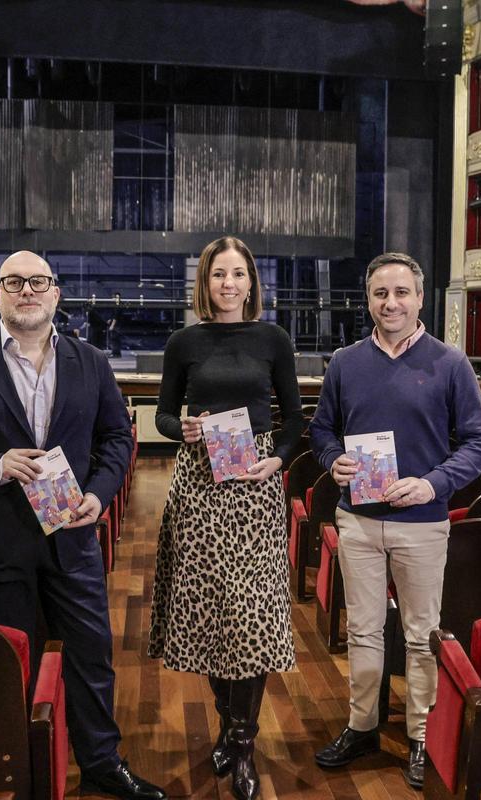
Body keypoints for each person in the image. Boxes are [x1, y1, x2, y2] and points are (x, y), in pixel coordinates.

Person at [0, 250, 165, 800]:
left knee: (92, 658)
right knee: (8, 665)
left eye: (38, 282)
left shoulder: (91, 362)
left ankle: (100, 762)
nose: (26, 291)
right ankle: (15, 771)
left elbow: (117, 439)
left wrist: (98, 495)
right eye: (13, 282)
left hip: (71, 540)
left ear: (55, 293)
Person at [308, 252, 481, 789]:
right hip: (358, 520)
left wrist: (433, 483)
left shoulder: (450, 363)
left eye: (401, 293)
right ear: (368, 299)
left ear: (419, 297)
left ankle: (420, 736)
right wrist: (331, 459)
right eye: (380, 294)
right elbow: (322, 431)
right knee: (363, 631)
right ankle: (362, 725)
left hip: (423, 522)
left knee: (419, 635)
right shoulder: (345, 362)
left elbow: (480, 443)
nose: (390, 303)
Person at [148, 236, 304, 800]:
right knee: (213, 611)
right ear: (205, 282)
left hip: (255, 486)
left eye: (238, 274)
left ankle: (242, 742)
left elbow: (294, 417)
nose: (228, 284)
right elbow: (165, 412)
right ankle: (227, 721)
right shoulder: (183, 341)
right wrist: (180, 428)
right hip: (200, 484)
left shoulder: (273, 339)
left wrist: (278, 461)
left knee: (250, 611)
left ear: (251, 282)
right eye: (219, 275)